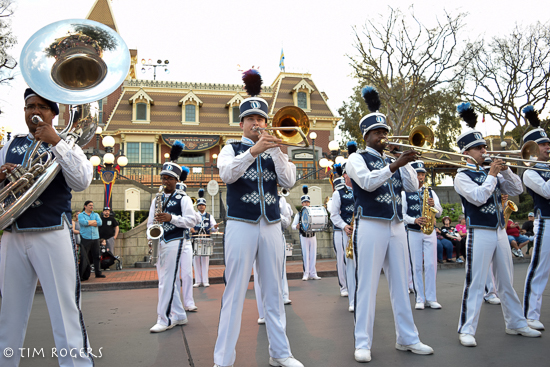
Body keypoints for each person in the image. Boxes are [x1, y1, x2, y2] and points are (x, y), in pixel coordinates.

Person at [214, 69, 303, 367]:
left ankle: (280, 354)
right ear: (241, 123)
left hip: (272, 226)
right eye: (251, 119)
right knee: (235, 292)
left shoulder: (274, 149)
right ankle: (223, 360)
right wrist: (253, 151)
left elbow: (289, 182)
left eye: (261, 119)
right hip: (241, 225)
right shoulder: (231, 148)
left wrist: (279, 150)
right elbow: (227, 174)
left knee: (275, 290)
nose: (257, 123)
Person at [0, 88, 94, 366]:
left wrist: (57, 142)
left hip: (53, 232)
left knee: (65, 312)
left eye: (42, 106)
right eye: (30, 106)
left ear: (54, 113)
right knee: (9, 313)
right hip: (13, 234)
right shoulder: (10, 144)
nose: (35, 111)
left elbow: (81, 181)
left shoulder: (67, 142)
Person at [346, 86, 433, 362]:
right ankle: (362, 342)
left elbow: (411, 187)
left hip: (396, 226)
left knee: (400, 284)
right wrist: (394, 165)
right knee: (366, 286)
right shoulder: (355, 159)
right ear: (366, 136)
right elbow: (369, 183)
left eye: (385, 131)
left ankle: (408, 338)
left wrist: (403, 159)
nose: (384, 136)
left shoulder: (391, 159)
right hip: (370, 224)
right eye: (378, 133)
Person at [454, 102, 540, 347]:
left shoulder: (492, 171)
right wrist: (492, 174)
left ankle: (516, 323)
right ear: (466, 153)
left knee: (506, 280)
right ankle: (466, 329)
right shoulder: (462, 176)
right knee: (476, 281)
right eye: (478, 148)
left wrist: (507, 170)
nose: (484, 150)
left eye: (483, 146)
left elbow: (517, 189)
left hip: (499, 231)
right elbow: (479, 197)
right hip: (478, 232)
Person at [147, 141, 200, 333]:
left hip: (176, 241)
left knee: (167, 281)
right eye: (163, 177)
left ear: (177, 180)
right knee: (165, 280)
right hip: (160, 241)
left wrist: (172, 218)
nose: (165, 181)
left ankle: (165, 318)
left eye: (169, 178)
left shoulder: (183, 198)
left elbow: (191, 221)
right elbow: (150, 221)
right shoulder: (158, 198)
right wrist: (150, 237)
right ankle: (179, 314)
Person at [522, 105, 550, 331]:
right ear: (531, 148)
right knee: (539, 269)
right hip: (546, 222)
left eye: (548, 143)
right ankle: (530, 315)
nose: (547, 147)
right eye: (542, 144)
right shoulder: (530, 173)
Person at [402, 160, 443, 310]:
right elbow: (402, 215)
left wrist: (434, 206)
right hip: (413, 231)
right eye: (418, 174)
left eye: (422, 174)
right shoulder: (405, 193)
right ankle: (420, 298)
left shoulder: (431, 192)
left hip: (429, 231)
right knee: (417, 265)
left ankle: (432, 298)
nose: (421, 177)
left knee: (431, 265)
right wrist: (414, 220)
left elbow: (440, 213)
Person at [255, 188, 293, 324]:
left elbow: (287, 222)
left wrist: (273, 211)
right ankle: (262, 313)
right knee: (258, 275)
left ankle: (280, 302)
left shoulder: (281, 199)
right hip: (257, 235)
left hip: (276, 236)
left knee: (278, 271)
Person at [329, 154, 356, 311]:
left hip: (360, 231)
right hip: (346, 232)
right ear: (345, 175)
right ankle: (348, 292)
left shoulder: (361, 189)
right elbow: (334, 215)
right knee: (347, 262)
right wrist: (344, 226)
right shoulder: (337, 193)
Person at [292, 185, 321, 281]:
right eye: (304, 202)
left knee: (313, 254)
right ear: (302, 203)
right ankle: (306, 273)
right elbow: (293, 225)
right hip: (303, 236)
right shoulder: (299, 214)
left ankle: (313, 273)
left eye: (307, 202)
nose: (306, 204)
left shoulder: (313, 212)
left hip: (312, 235)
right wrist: (296, 226)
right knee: (305, 255)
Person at [191, 188, 218, 288]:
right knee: (196, 260)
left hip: (206, 240)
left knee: (205, 260)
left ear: (205, 206)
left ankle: (205, 280)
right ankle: (198, 281)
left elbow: (214, 228)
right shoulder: (194, 215)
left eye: (203, 205)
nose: (201, 206)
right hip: (196, 240)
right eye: (199, 205)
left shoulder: (209, 216)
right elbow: (189, 224)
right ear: (197, 206)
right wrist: (191, 229)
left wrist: (215, 227)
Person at [79, 201, 104, 279]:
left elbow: (100, 223)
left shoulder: (95, 214)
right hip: (85, 238)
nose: (91, 207)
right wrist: (93, 222)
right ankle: (83, 274)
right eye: (90, 205)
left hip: (95, 238)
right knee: (84, 256)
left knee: (96, 256)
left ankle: (98, 273)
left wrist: (89, 222)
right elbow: (83, 223)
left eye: (92, 205)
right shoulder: (81, 215)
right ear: (85, 206)